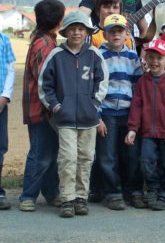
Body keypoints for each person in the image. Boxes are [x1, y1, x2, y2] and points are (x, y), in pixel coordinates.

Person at [38, 11, 109, 218]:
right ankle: (67, 199)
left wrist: (94, 104)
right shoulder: (56, 55)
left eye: (80, 29)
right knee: (68, 158)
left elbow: (102, 82)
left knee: (86, 158)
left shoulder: (94, 54)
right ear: (65, 32)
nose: (76, 33)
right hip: (65, 119)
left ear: (86, 32)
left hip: (89, 118)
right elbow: (45, 85)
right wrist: (56, 106)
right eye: (72, 29)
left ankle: (81, 198)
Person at [125, 39, 165, 211]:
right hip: (147, 133)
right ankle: (153, 189)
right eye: (151, 57)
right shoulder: (143, 81)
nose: (154, 61)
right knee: (145, 161)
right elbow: (136, 106)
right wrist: (132, 129)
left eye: (159, 58)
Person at [19, 0, 65, 212]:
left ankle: (51, 193)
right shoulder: (45, 45)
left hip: (41, 109)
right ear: (58, 20)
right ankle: (28, 196)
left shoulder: (43, 40)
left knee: (49, 153)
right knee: (40, 154)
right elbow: (45, 80)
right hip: (42, 110)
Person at [96, 14, 144, 210]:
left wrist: (136, 115)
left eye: (120, 31)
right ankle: (113, 193)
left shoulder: (132, 56)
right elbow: (94, 88)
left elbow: (138, 87)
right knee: (107, 156)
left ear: (127, 34)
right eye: (112, 31)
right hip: (106, 113)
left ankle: (133, 191)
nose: (116, 34)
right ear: (105, 34)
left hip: (128, 113)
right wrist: (97, 116)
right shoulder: (98, 55)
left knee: (131, 154)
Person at [0, 30, 15, 210]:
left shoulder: (4, 40)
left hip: (0, 103)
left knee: (0, 146)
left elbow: (11, 68)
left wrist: (4, 96)